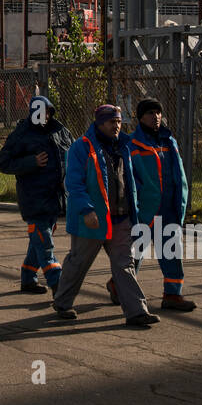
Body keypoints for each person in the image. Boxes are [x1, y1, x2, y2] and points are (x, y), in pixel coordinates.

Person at [52, 104, 158, 326]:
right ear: (100, 123)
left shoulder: (125, 146)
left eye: (119, 121)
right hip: (91, 219)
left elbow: (134, 179)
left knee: (124, 264)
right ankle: (62, 302)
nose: (117, 126)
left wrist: (137, 208)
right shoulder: (81, 147)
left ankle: (137, 311)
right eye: (112, 122)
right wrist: (87, 209)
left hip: (121, 218)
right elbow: (72, 183)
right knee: (79, 262)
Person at [0, 95, 72, 295]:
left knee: (38, 239)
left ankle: (28, 278)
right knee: (45, 243)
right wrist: (31, 162)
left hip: (55, 199)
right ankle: (59, 286)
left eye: (47, 111)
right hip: (34, 199)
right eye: (40, 111)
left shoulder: (60, 131)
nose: (44, 115)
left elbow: (73, 154)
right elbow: (3, 163)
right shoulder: (21, 134)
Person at [125, 97, 195, 311]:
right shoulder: (131, 144)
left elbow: (178, 174)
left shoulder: (169, 141)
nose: (155, 117)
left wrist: (180, 202)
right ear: (140, 117)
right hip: (144, 209)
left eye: (158, 112)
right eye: (149, 113)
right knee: (135, 252)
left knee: (172, 252)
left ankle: (173, 295)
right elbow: (130, 177)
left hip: (169, 207)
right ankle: (119, 286)